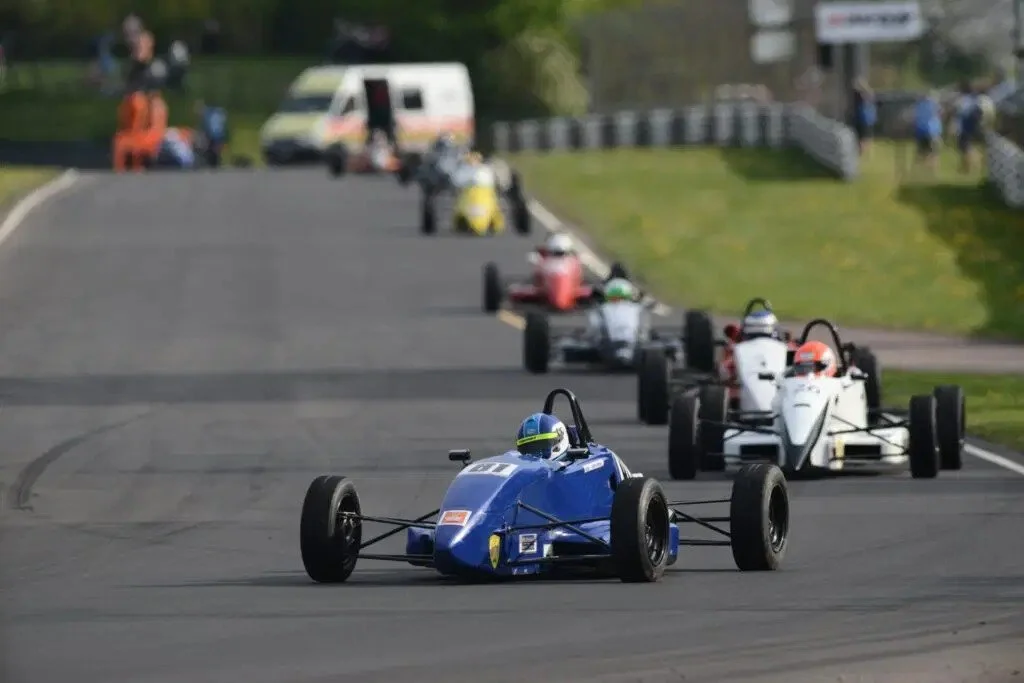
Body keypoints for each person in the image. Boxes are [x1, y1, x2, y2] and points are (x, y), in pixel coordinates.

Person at [954, 81, 983, 174]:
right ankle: (966, 165)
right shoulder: (974, 98)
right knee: (965, 146)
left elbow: (960, 111)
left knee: (964, 147)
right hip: (972, 125)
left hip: (965, 125)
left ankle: (969, 166)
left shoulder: (964, 99)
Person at [911, 91, 942, 175]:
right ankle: (932, 172)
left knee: (921, 152)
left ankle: (918, 171)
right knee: (934, 153)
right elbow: (940, 114)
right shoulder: (934, 105)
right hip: (933, 131)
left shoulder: (918, 106)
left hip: (921, 131)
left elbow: (914, 118)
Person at [851, 78, 876, 157]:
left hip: (865, 119)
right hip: (864, 119)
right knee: (863, 139)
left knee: (864, 139)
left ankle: (859, 152)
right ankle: (859, 153)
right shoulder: (867, 96)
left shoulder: (865, 96)